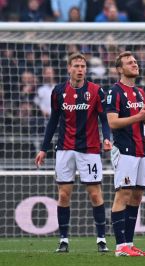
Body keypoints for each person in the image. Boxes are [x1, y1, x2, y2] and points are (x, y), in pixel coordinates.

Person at [34, 53, 112, 253]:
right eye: (76, 65)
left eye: (83, 66)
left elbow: (104, 118)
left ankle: (101, 239)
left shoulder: (96, 91)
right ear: (69, 68)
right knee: (63, 194)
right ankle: (64, 240)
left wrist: (107, 137)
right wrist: (44, 148)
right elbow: (53, 121)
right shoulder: (58, 91)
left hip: (90, 150)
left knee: (95, 194)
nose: (80, 69)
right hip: (65, 149)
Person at [106, 51, 145, 257]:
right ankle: (120, 246)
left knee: (137, 196)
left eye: (135, 61)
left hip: (142, 149)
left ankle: (129, 244)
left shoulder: (140, 93)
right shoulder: (114, 92)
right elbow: (113, 123)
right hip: (125, 150)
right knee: (123, 194)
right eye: (129, 63)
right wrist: (138, 116)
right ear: (120, 69)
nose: (135, 64)